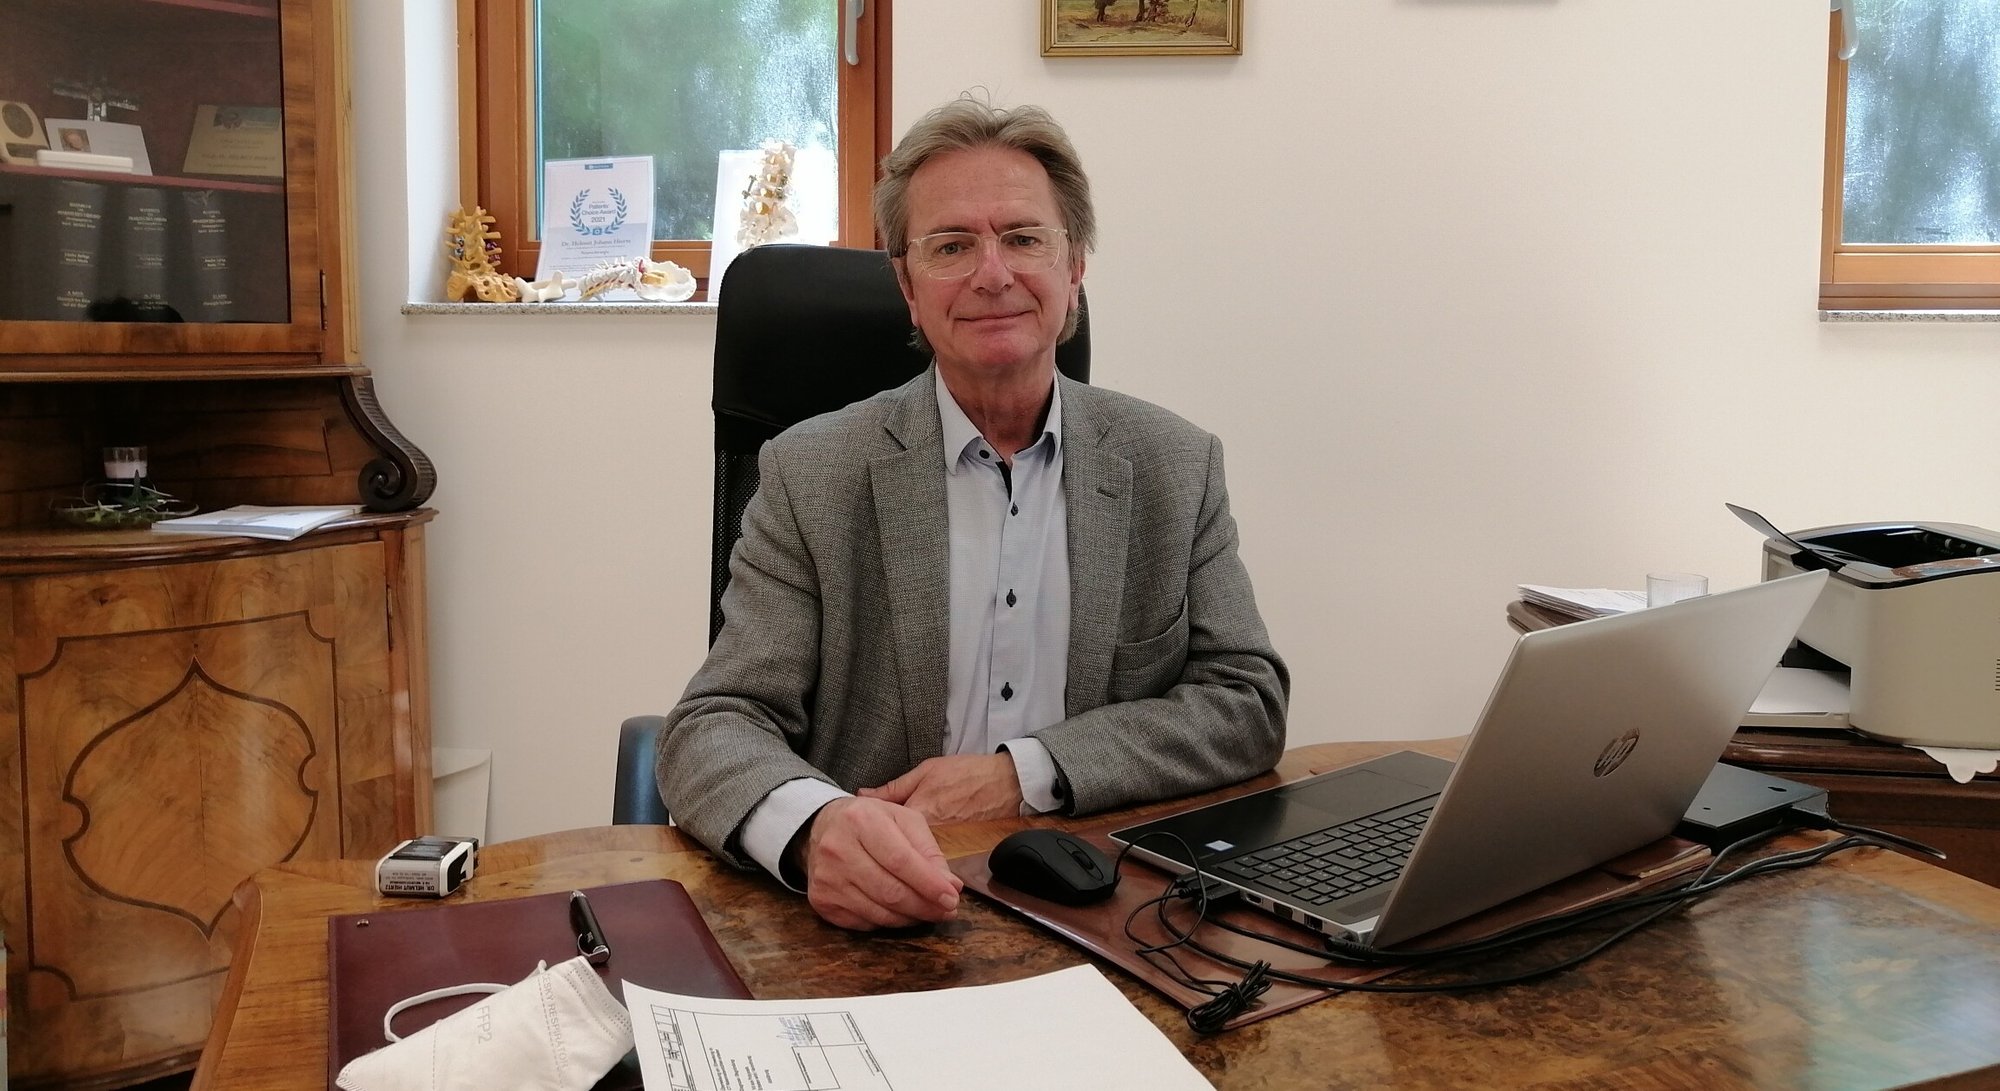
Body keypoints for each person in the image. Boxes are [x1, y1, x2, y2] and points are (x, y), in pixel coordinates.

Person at [657, 98, 1288, 931]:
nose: (993, 274)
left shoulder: (1175, 464)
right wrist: (815, 829)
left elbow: (1246, 701)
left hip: (1104, 907)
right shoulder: (811, 474)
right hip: (874, 917)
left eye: (1023, 238)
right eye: (952, 246)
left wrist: (1026, 772)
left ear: (1075, 268)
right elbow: (712, 726)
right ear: (908, 287)